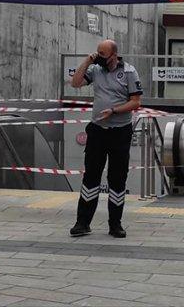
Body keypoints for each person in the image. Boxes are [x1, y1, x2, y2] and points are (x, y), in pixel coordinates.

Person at [69, 39, 142, 238]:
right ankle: (82, 222)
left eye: (103, 55)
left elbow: (135, 102)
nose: (99, 58)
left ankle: (115, 224)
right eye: (97, 53)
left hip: (120, 131)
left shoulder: (128, 72)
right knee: (91, 176)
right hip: (98, 131)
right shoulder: (95, 70)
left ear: (114, 55)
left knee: (117, 179)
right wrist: (87, 61)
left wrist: (114, 110)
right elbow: (75, 83)